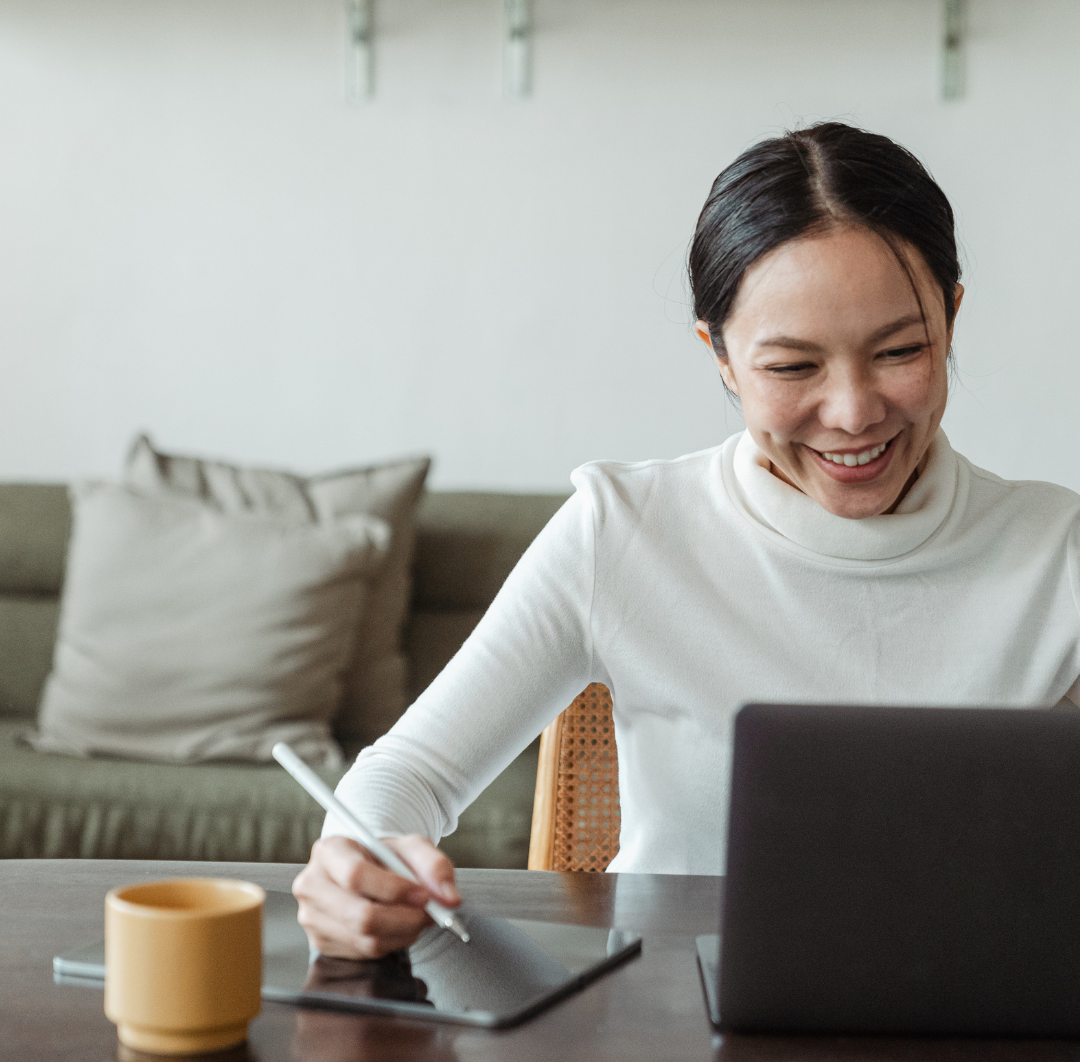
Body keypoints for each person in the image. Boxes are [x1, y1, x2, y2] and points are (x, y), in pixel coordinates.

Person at [293, 122, 1080, 959]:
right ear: (722, 358)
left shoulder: (1056, 552)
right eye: (791, 368)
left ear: (951, 321)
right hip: (665, 1022)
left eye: (899, 351)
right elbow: (407, 774)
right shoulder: (623, 532)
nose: (853, 413)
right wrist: (356, 861)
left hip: (978, 1018)